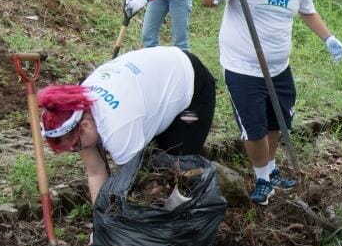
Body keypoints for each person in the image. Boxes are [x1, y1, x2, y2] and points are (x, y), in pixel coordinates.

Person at [200, 0, 342, 205]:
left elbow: (308, 12)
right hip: (243, 67)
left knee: (277, 121)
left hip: (279, 67)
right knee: (254, 128)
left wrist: (329, 38)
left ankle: (271, 168)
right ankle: (261, 179)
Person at [38, 46, 216, 204]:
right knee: (156, 165)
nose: (77, 150)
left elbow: (134, 181)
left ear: (84, 126)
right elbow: (95, 172)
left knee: (177, 168)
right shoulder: (77, 112)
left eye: (76, 146)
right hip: (151, 85)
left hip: (190, 81)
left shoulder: (118, 128)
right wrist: (99, 227)